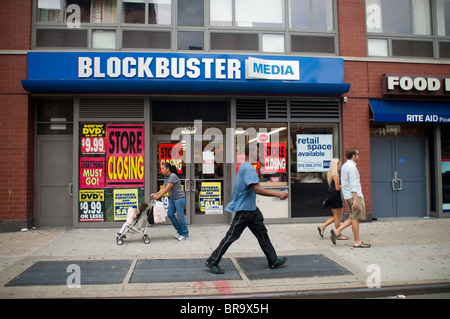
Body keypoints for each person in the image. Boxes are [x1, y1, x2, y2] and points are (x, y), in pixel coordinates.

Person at [205, 143, 289, 274]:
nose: (260, 154)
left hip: (251, 210)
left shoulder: (245, 166)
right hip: (245, 210)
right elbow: (256, 189)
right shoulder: (248, 168)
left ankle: (272, 260)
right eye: (258, 152)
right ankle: (212, 260)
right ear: (252, 153)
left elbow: (252, 185)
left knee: (262, 234)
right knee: (231, 236)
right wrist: (278, 194)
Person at [330, 147, 370, 248]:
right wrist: (356, 200)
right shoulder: (352, 167)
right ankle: (357, 242)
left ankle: (336, 231)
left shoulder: (344, 166)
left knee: (352, 217)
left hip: (348, 195)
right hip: (354, 196)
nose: (359, 155)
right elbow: (353, 184)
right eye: (358, 153)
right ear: (353, 155)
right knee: (356, 219)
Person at [151, 163, 189, 241]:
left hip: (179, 199)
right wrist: (156, 194)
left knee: (180, 216)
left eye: (163, 168)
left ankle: (185, 234)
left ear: (168, 168)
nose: (161, 170)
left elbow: (167, 189)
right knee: (170, 214)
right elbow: (163, 187)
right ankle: (180, 231)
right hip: (173, 198)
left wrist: (158, 197)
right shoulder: (166, 177)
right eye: (161, 168)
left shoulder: (173, 176)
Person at [317, 158, 348, 240]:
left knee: (335, 216)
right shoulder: (336, 175)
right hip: (336, 196)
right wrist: (345, 185)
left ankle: (322, 227)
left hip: (331, 195)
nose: (340, 166)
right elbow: (338, 188)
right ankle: (338, 234)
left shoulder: (330, 174)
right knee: (337, 217)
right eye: (339, 165)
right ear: (336, 165)